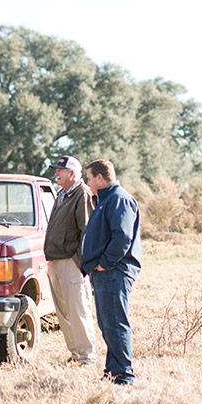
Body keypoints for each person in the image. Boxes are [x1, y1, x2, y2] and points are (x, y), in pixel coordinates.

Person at [81, 159, 141, 385]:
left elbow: (122, 237)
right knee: (108, 323)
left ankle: (124, 376)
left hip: (114, 271)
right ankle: (112, 372)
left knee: (115, 322)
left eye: (89, 178)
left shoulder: (119, 199)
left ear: (99, 177)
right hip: (105, 272)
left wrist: (104, 263)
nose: (87, 183)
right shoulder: (105, 200)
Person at [44, 155, 97, 364]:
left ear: (72, 174)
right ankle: (76, 354)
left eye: (60, 170)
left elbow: (88, 231)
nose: (56, 173)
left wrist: (78, 261)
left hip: (70, 263)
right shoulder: (62, 194)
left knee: (78, 309)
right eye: (56, 169)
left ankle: (86, 356)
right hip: (56, 261)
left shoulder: (81, 194)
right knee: (64, 312)